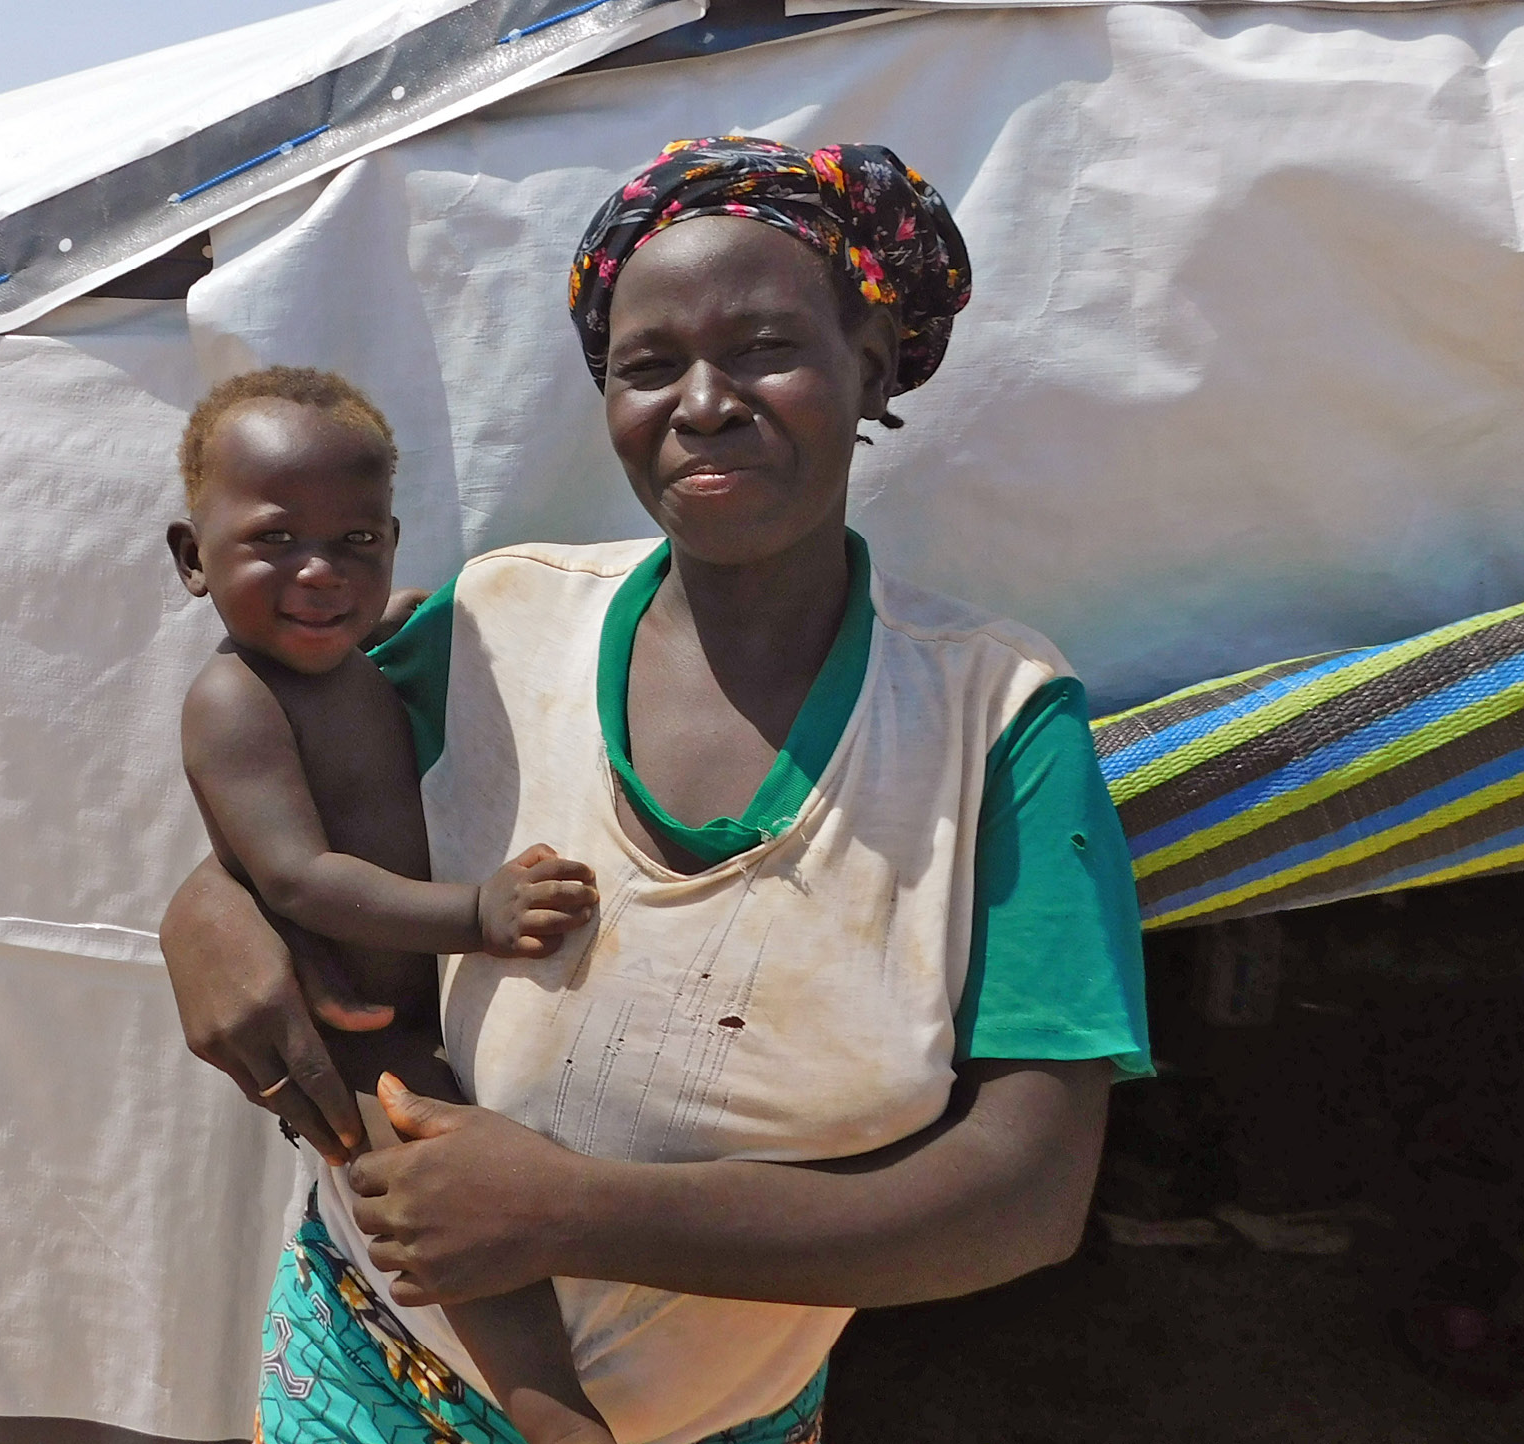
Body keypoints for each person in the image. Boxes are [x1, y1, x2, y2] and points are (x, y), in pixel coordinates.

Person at [163, 137, 1153, 1444]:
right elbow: (277, 797)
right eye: (647, 365)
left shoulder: (993, 721)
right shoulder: (493, 626)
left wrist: (570, 1212)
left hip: (725, 1421)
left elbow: (1021, 1196)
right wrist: (204, 915)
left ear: (866, 368)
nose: (702, 401)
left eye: (760, 347)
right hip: (367, 1379)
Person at [165, 365, 616, 1443]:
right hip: (360, 1030)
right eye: (277, 541)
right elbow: (297, 879)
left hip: (415, 1006)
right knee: (441, 1208)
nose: (320, 573)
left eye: (356, 545)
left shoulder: (340, 662)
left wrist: (388, 626)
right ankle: (559, 1419)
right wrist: (478, 915)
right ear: (192, 557)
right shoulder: (235, 701)